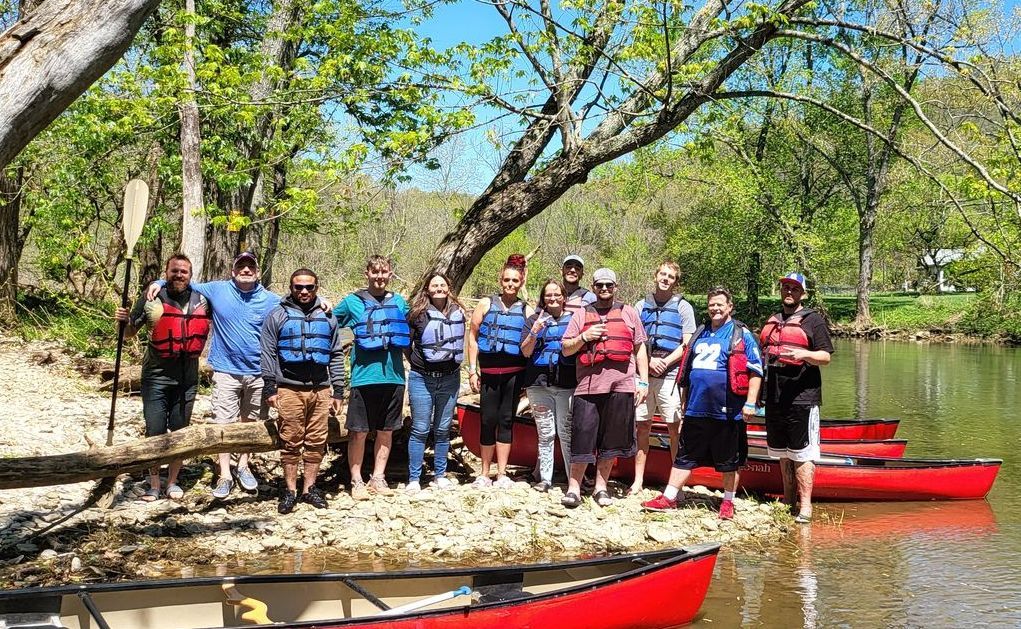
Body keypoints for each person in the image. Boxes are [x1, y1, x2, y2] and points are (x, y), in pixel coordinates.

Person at [145, 251, 281, 499]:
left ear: (258, 272)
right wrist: (157, 282)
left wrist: (322, 300)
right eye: (241, 266)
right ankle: (224, 474)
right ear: (233, 270)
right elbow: (182, 280)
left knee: (250, 422)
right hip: (226, 370)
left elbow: (296, 301)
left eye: (251, 267)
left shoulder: (271, 299)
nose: (246, 270)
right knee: (223, 423)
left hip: (258, 371)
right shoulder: (218, 290)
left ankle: (243, 466)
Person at [641, 286, 763, 520]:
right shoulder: (700, 332)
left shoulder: (741, 334)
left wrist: (750, 403)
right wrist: (685, 401)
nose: (715, 309)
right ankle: (669, 496)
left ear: (730, 307)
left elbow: (755, 370)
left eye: (720, 304)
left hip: (728, 410)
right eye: (711, 305)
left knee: (729, 460)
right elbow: (688, 370)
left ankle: (728, 502)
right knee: (684, 455)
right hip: (697, 407)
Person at [115, 254, 210, 501]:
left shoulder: (202, 299)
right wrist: (123, 322)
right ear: (166, 273)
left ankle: (173, 481)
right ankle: (155, 484)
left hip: (187, 379)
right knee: (155, 430)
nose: (179, 275)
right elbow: (128, 334)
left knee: (180, 432)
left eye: (184, 272)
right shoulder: (152, 297)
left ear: (191, 275)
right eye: (174, 271)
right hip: (156, 377)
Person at [560, 268, 649, 508]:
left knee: (611, 442)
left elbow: (639, 348)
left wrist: (643, 381)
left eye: (609, 285)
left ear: (616, 287)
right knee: (582, 439)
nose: (604, 289)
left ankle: (601, 488)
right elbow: (566, 348)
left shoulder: (629, 313)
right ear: (594, 287)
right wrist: (585, 337)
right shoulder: (581, 314)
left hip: (622, 385)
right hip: (588, 388)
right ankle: (574, 489)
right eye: (600, 285)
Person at [260, 268, 346, 514]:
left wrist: (338, 390)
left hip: (320, 389)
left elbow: (336, 353)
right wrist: (270, 388)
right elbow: (267, 353)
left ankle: (309, 489)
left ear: (316, 287)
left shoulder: (328, 316)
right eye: (299, 287)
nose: (304, 291)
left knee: (317, 441)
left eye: (309, 287)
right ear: (291, 288)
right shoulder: (278, 315)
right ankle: (289, 491)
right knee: (290, 440)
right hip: (288, 388)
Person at [333, 255, 410, 500]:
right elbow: (330, 321)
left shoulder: (399, 301)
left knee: (387, 431)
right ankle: (356, 480)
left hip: (394, 377)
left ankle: (378, 477)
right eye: (374, 272)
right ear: (367, 273)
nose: (379, 276)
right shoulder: (352, 302)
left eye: (384, 272)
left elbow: (414, 325)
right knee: (358, 432)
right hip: (363, 377)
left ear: (390, 274)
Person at [759, 273, 833, 524]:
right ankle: (788, 501)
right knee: (782, 453)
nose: (789, 292)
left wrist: (804, 353)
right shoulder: (774, 319)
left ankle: (806, 507)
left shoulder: (813, 321)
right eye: (786, 287)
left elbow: (825, 356)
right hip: (775, 395)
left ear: (803, 293)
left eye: (795, 289)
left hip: (803, 396)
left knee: (803, 454)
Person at [466, 261, 534, 488]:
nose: (511, 284)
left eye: (515, 280)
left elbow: (532, 343)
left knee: (506, 420)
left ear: (521, 282)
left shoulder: (527, 309)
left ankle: (502, 473)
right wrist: (472, 370)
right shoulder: (486, 304)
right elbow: (473, 336)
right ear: (500, 281)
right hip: (489, 373)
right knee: (487, 420)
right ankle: (484, 473)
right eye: (507, 280)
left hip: (514, 374)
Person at [633, 261, 696, 494]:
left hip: (670, 374)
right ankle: (638, 480)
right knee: (642, 426)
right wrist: (648, 362)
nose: (665, 279)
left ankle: (675, 484)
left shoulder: (683, 308)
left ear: (675, 282)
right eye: (662, 274)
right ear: (655, 275)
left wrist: (666, 362)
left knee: (674, 427)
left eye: (670, 276)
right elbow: (635, 340)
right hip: (644, 373)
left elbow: (687, 342)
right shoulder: (641, 305)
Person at [404, 273, 466, 493]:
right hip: (422, 378)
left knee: (442, 429)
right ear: (428, 289)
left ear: (448, 288)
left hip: (450, 378)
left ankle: (439, 475)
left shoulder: (458, 312)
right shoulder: (417, 315)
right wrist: (416, 363)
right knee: (420, 429)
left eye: (443, 285)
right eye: (434, 285)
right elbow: (406, 344)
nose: (439, 288)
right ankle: (414, 478)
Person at [520, 279, 577, 492]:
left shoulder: (574, 320)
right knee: (545, 433)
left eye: (556, 294)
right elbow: (525, 352)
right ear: (543, 298)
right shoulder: (534, 320)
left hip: (566, 384)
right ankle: (545, 479)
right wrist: (534, 331)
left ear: (564, 297)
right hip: (538, 384)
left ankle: (574, 480)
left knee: (565, 432)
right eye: (548, 295)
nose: (552, 299)